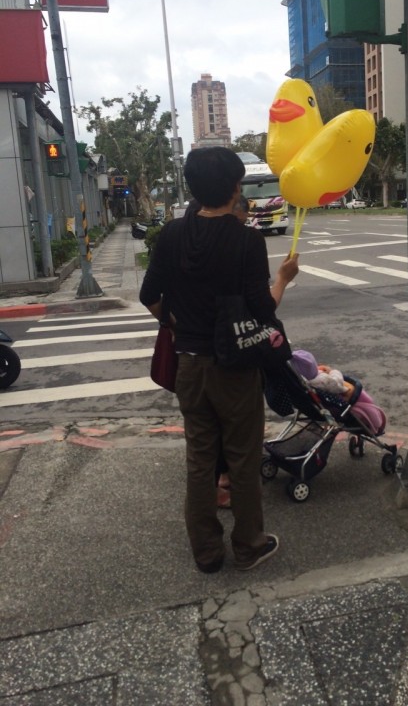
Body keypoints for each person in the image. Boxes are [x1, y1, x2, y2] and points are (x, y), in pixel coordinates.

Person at [140, 147, 299, 573]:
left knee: (200, 459)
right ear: (233, 188)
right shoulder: (245, 239)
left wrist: (174, 325)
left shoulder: (172, 234)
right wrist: (283, 278)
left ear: (192, 188)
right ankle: (248, 545)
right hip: (235, 367)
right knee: (243, 458)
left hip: (189, 365)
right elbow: (264, 310)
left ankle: (207, 553)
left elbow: (148, 296)